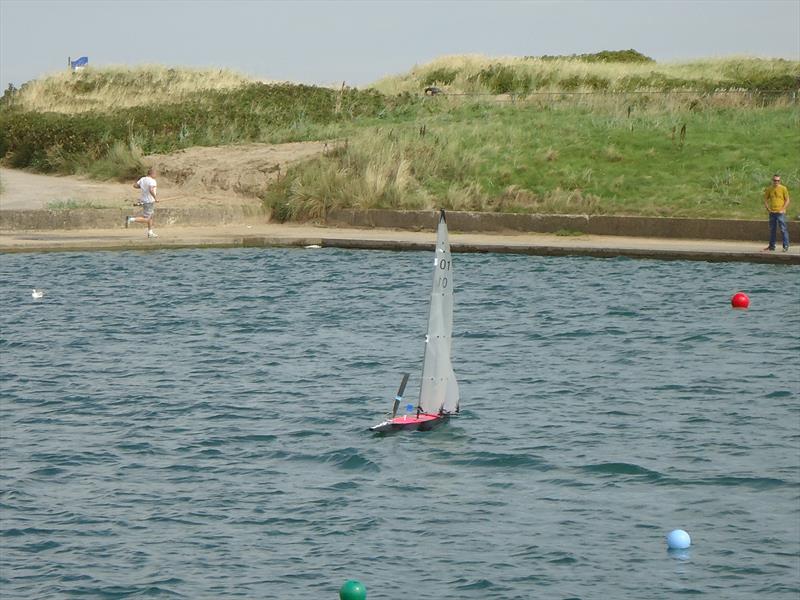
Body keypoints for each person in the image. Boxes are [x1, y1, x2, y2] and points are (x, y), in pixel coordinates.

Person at [126, 167, 159, 238]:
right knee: (147, 218)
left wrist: (143, 187)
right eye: (155, 174)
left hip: (143, 200)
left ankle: (150, 232)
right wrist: (155, 198)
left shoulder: (143, 179)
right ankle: (131, 219)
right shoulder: (152, 181)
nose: (156, 175)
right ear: (152, 174)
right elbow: (151, 190)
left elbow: (135, 185)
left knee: (150, 216)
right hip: (149, 201)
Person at [763, 173, 790, 251]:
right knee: (772, 229)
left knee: (783, 229)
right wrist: (768, 208)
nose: (776, 182)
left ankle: (785, 246)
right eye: (775, 180)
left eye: (778, 180)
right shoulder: (769, 189)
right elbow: (765, 199)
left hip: (780, 212)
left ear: (780, 181)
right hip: (772, 212)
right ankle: (772, 246)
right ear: (772, 181)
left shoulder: (783, 188)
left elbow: (787, 200)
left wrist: (783, 209)